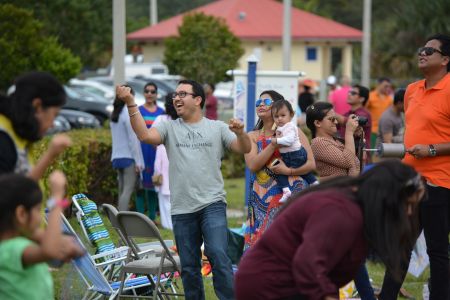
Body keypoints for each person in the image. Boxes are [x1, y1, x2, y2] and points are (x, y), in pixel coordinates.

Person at [116, 79, 251, 300]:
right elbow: (145, 136)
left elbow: (243, 148)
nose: (176, 98)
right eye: (175, 94)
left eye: (182, 94)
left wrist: (241, 133)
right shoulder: (168, 126)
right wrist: (131, 102)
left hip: (212, 204)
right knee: (188, 266)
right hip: (182, 208)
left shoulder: (216, 127)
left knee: (218, 253)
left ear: (197, 100)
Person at [235, 160, 424, 300]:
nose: (408, 213)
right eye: (406, 205)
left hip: (292, 286)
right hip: (269, 288)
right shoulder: (342, 212)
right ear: (386, 197)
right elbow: (307, 264)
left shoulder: (357, 211)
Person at [388, 34, 450, 300]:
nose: (421, 53)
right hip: (410, 180)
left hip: (439, 182)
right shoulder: (412, 89)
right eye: (420, 49)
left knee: (437, 250)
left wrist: (432, 149)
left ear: (445, 59)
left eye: (429, 50)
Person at [244, 90, 315, 248]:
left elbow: (311, 164)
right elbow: (253, 165)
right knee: (262, 244)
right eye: (258, 102)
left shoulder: (294, 132)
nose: (261, 105)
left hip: (292, 192)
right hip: (262, 196)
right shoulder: (252, 136)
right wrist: (273, 144)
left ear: (277, 107)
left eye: (266, 102)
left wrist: (288, 171)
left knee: (291, 242)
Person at [0, 171, 83, 299]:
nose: (40, 218)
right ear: (21, 214)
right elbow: (50, 250)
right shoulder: (10, 249)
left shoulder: (15, 245)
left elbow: (52, 248)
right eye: (38, 210)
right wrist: (56, 200)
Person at [0, 71, 72, 179]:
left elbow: (21, 188)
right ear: (37, 106)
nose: (52, 124)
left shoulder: (18, 134)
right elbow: (10, 194)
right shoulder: (3, 141)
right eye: (54, 115)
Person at [270, 99, 318, 202]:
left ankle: (286, 189)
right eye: (276, 116)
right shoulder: (280, 127)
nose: (279, 119)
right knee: (278, 167)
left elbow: (289, 140)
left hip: (295, 154)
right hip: (289, 155)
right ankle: (313, 183)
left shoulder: (290, 126)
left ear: (291, 115)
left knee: (277, 168)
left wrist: (276, 140)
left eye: (283, 115)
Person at [110, 86, 144, 211]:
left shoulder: (115, 113)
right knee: (128, 191)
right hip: (128, 158)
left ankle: (118, 218)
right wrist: (139, 162)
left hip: (116, 158)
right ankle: (122, 220)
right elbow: (133, 140)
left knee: (121, 190)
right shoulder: (127, 113)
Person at [306, 101, 360, 180]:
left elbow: (354, 164)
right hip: (333, 190)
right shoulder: (318, 142)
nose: (336, 122)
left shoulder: (335, 140)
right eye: (332, 119)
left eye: (336, 119)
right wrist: (349, 132)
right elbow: (348, 161)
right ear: (317, 123)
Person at [136, 82, 164, 220]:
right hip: (142, 152)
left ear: (156, 94)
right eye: (147, 91)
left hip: (156, 154)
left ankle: (152, 218)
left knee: (154, 185)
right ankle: (141, 218)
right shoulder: (138, 111)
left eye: (153, 91)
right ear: (143, 93)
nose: (149, 94)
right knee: (140, 187)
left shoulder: (161, 112)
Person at [152, 94, 179, 230]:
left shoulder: (160, 119)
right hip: (178, 154)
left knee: (164, 192)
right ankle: (175, 223)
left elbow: (152, 139)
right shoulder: (182, 120)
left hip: (163, 153)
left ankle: (167, 224)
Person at [337, 84, 372, 164]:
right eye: (349, 92)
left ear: (362, 99)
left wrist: (330, 113)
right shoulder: (346, 113)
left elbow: (350, 122)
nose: (349, 94)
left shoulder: (365, 114)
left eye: (353, 93)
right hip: (346, 156)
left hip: (360, 157)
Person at [365, 77, 393, 148]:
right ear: (379, 85)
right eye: (385, 86)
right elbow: (363, 111)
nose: (388, 88)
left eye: (389, 86)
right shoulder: (370, 96)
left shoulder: (389, 99)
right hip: (372, 131)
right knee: (371, 153)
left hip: (386, 132)